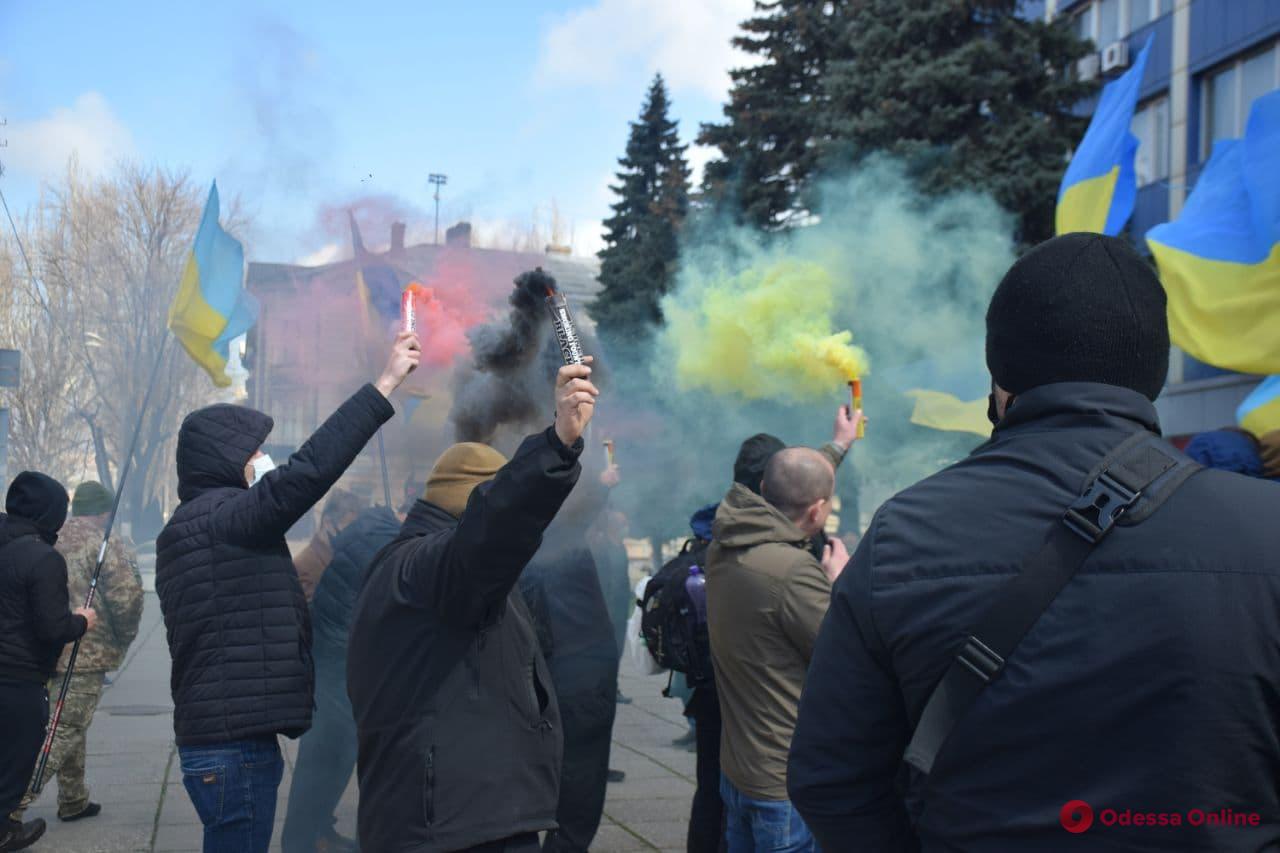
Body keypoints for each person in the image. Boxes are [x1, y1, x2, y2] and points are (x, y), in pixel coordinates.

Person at [788, 233, 1280, 851]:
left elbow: (830, 779)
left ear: (1000, 377)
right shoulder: (1268, 528)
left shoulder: (902, 533)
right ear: (1154, 369)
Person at [155, 331, 419, 853]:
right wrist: (385, 384)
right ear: (228, 462)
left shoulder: (189, 527)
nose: (262, 460)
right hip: (233, 749)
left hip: (215, 742)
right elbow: (312, 469)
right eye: (253, 453)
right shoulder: (227, 519)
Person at [348, 359, 599, 853]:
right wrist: (556, 445)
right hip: (457, 827)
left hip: (462, 814)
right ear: (473, 506)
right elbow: (493, 530)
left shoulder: (416, 565)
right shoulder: (429, 566)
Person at [685, 408, 859, 853]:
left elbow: (795, 482)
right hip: (783, 782)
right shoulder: (792, 573)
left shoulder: (726, 537)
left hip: (739, 768)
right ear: (818, 512)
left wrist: (837, 446)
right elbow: (845, 657)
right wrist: (842, 586)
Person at [10, 481, 143, 827]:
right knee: (63, 729)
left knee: (64, 721)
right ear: (103, 512)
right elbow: (127, 598)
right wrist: (124, 637)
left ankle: (73, 798)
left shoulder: (51, 536)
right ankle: (13, 805)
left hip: (44, 650)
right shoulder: (105, 543)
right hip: (85, 652)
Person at [281, 498, 405, 853]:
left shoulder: (343, 551)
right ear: (330, 524)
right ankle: (303, 839)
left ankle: (321, 829)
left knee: (334, 767)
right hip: (326, 674)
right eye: (348, 521)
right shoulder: (310, 561)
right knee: (318, 766)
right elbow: (304, 617)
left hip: (339, 677)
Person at [520, 471, 618, 853]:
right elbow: (576, 512)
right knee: (580, 792)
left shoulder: (510, 532)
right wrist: (603, 482)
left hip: (543, 668)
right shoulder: (552, 528)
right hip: (580, 667)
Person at [0, 472, 97, 852]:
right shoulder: (43, 557)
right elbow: (52, 627)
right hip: (20, 676)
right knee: (16, 760)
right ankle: (5, 828)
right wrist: (82, 621)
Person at [293, 489, 365, 601]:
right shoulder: (303, 567)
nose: (353, 533)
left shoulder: (343, 558)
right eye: (349, 526)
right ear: (327, 523)